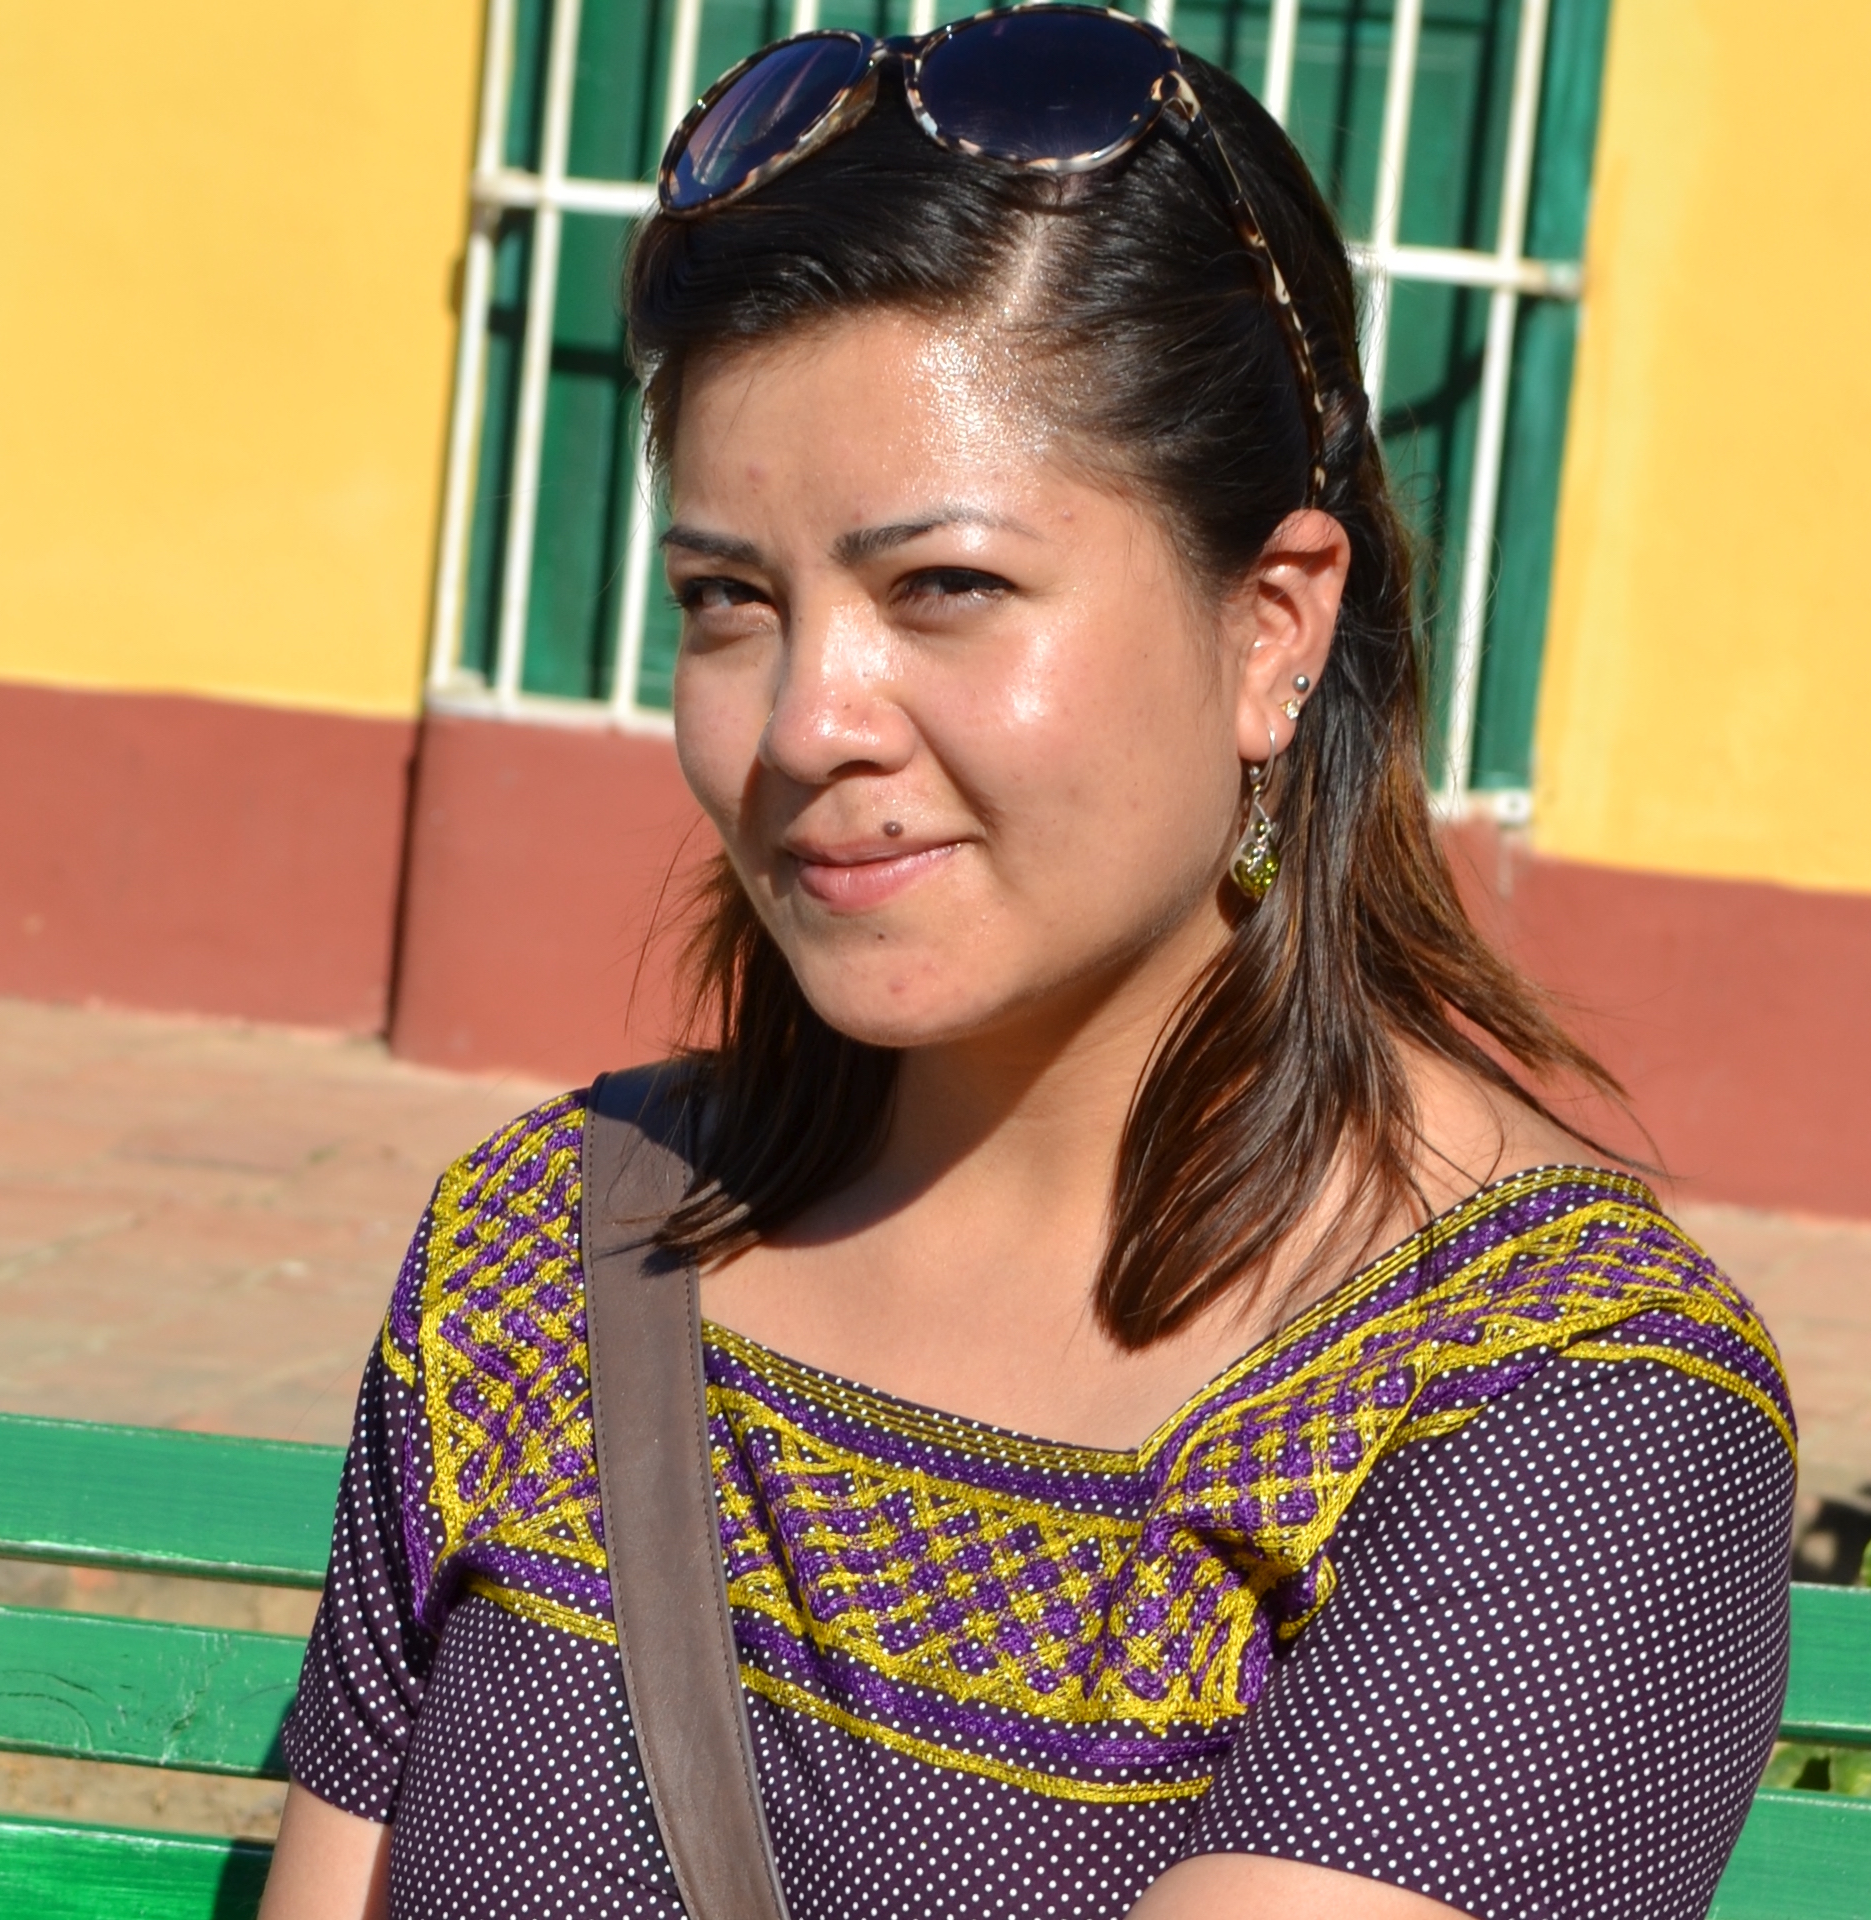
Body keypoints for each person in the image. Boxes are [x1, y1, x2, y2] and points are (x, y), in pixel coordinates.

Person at [259, 10, 1793, 1917]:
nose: (807, 721)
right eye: (728, 599)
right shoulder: (548, 1254)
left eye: (945, 588)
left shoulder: (1551, 1404)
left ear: (1272, 624)